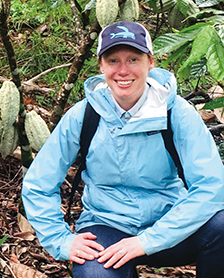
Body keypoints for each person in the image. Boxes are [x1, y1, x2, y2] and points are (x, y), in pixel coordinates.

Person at [21, 21, 224, 278]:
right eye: (113, 60)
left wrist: (146, 241)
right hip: (107, 225)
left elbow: (211, 188)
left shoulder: (176, 113)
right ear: (101, 66)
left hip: (170, 220)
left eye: (133, 59)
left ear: (150, 62)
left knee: (222, 227)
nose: (123, 70)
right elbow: (39, 183)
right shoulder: (84, 115)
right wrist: (60, 240)